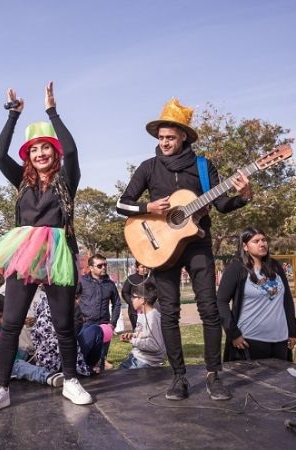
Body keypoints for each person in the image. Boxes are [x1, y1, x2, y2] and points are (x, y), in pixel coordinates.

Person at [116, 98, 252, 401]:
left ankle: (214, 375)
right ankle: (179, 377)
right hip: (160, 246)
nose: (164, 142)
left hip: (198, 243)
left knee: (210, 309)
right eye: (161, 137)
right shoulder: (148, 168)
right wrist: (147, 206)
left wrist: (243, 196)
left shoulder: (203, 166)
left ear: (183, 138)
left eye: (170, 138)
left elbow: (221, 205)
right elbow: (121, 204)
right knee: (170, 313)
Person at [0, 82, 91, 412]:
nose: (41, 153)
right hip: (26, 252)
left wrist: (52, 111)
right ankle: (1, 388)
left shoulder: (67, 179)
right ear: (29, 155)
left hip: (57, 253)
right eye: (35, 149)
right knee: (11, 323)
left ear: (53, 153)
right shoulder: (23, 181)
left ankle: (70, 380)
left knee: (63, 324)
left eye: (46, 148)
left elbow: (72, 151)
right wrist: (13, 116)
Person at [216, 228, 296, 363]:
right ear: (245, 246)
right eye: (256, 241)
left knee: (282, 383)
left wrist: (292, 331)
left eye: (264, 240)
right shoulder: (236, 269)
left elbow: (287, 300)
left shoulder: (276, 267)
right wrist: (233, 334)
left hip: (280, 340)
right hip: (250, 340)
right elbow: (221, 302)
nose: (262, 244)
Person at [0, 293, 64, 388]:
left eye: (5, 316)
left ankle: (39, 369)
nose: (2, 320)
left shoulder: (0, 324)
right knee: (16, 365)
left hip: (0, 358)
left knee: (23, 352)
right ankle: (46, 377)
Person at [77, 254, 121, 371]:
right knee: (82, 357)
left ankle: (101, 385)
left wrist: (112, 324)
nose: (104, 268)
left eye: (105, 265)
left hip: (104, 327)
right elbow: (73, 300)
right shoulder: (82, 282)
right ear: (91, 268)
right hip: (85, 326)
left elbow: (117, 303)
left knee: (100, 360)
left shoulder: (110, 284)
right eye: (100, 266)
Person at [120, 284, 166, 369]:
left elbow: (155, 345)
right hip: (137, 357)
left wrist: (132, 340)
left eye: (134, 297)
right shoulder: (142, 314)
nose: (131, 299)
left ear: (142, 300)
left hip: (145, 361)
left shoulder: (152, 318)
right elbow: (145, 334)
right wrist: (133, 335)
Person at [121, 261, 151, 330]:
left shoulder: (151, 278)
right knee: (137, 331)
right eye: (142, 267)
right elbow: (125, 292)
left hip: (148, 310)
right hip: (134, 312)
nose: (145, 269)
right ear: (137, 268)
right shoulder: (131, 279)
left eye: (146, 266)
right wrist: (132, 302)